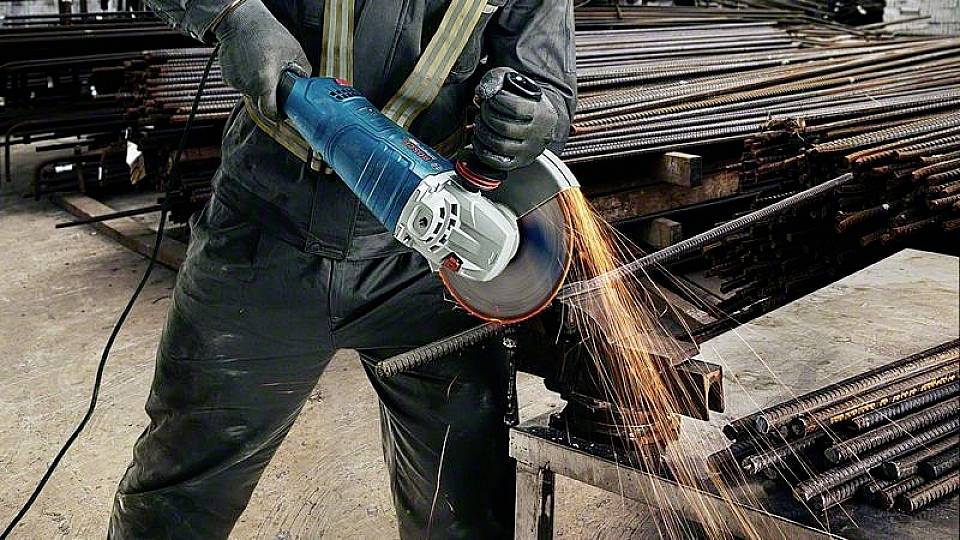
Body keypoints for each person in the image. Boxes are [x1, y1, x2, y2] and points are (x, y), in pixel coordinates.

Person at [108, 0, 575, 538]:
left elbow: (547, 85)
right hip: (264, 234)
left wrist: (535, 118)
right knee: (175, 500)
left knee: (466, 503)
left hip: (429, 257)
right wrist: (232, 14)